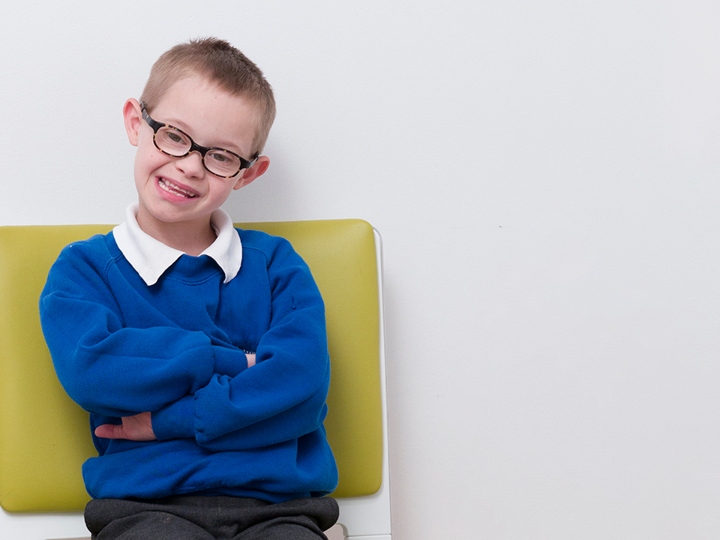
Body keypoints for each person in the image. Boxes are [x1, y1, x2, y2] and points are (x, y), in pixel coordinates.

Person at [39, 37, 339, 540]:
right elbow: (94, 375)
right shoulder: (82, 270)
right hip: (143, 507)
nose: (190, 165)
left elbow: (302, 391)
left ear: (249, 173)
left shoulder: (276, 264)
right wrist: (233, 362)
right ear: (137, 122)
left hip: (279, 508)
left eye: (221, 155)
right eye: (175, 136)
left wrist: (164, 421)